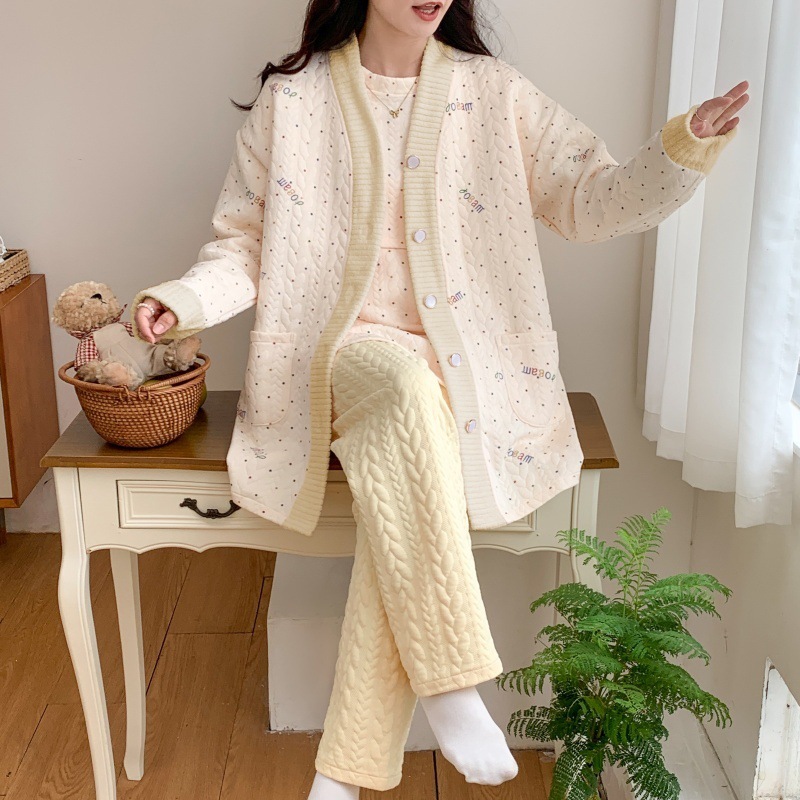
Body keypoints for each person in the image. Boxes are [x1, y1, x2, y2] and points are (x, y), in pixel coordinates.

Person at [133, 1, 748, 796]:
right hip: (345, 358)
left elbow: (590, 200)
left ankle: (341, 776)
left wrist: (681, 148)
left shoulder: (494, 92)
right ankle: (454, 682)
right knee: (402, 390)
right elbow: (243, 244)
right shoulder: (295, 101)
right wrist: (182, 299)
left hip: (472, 374)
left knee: (408, 477)